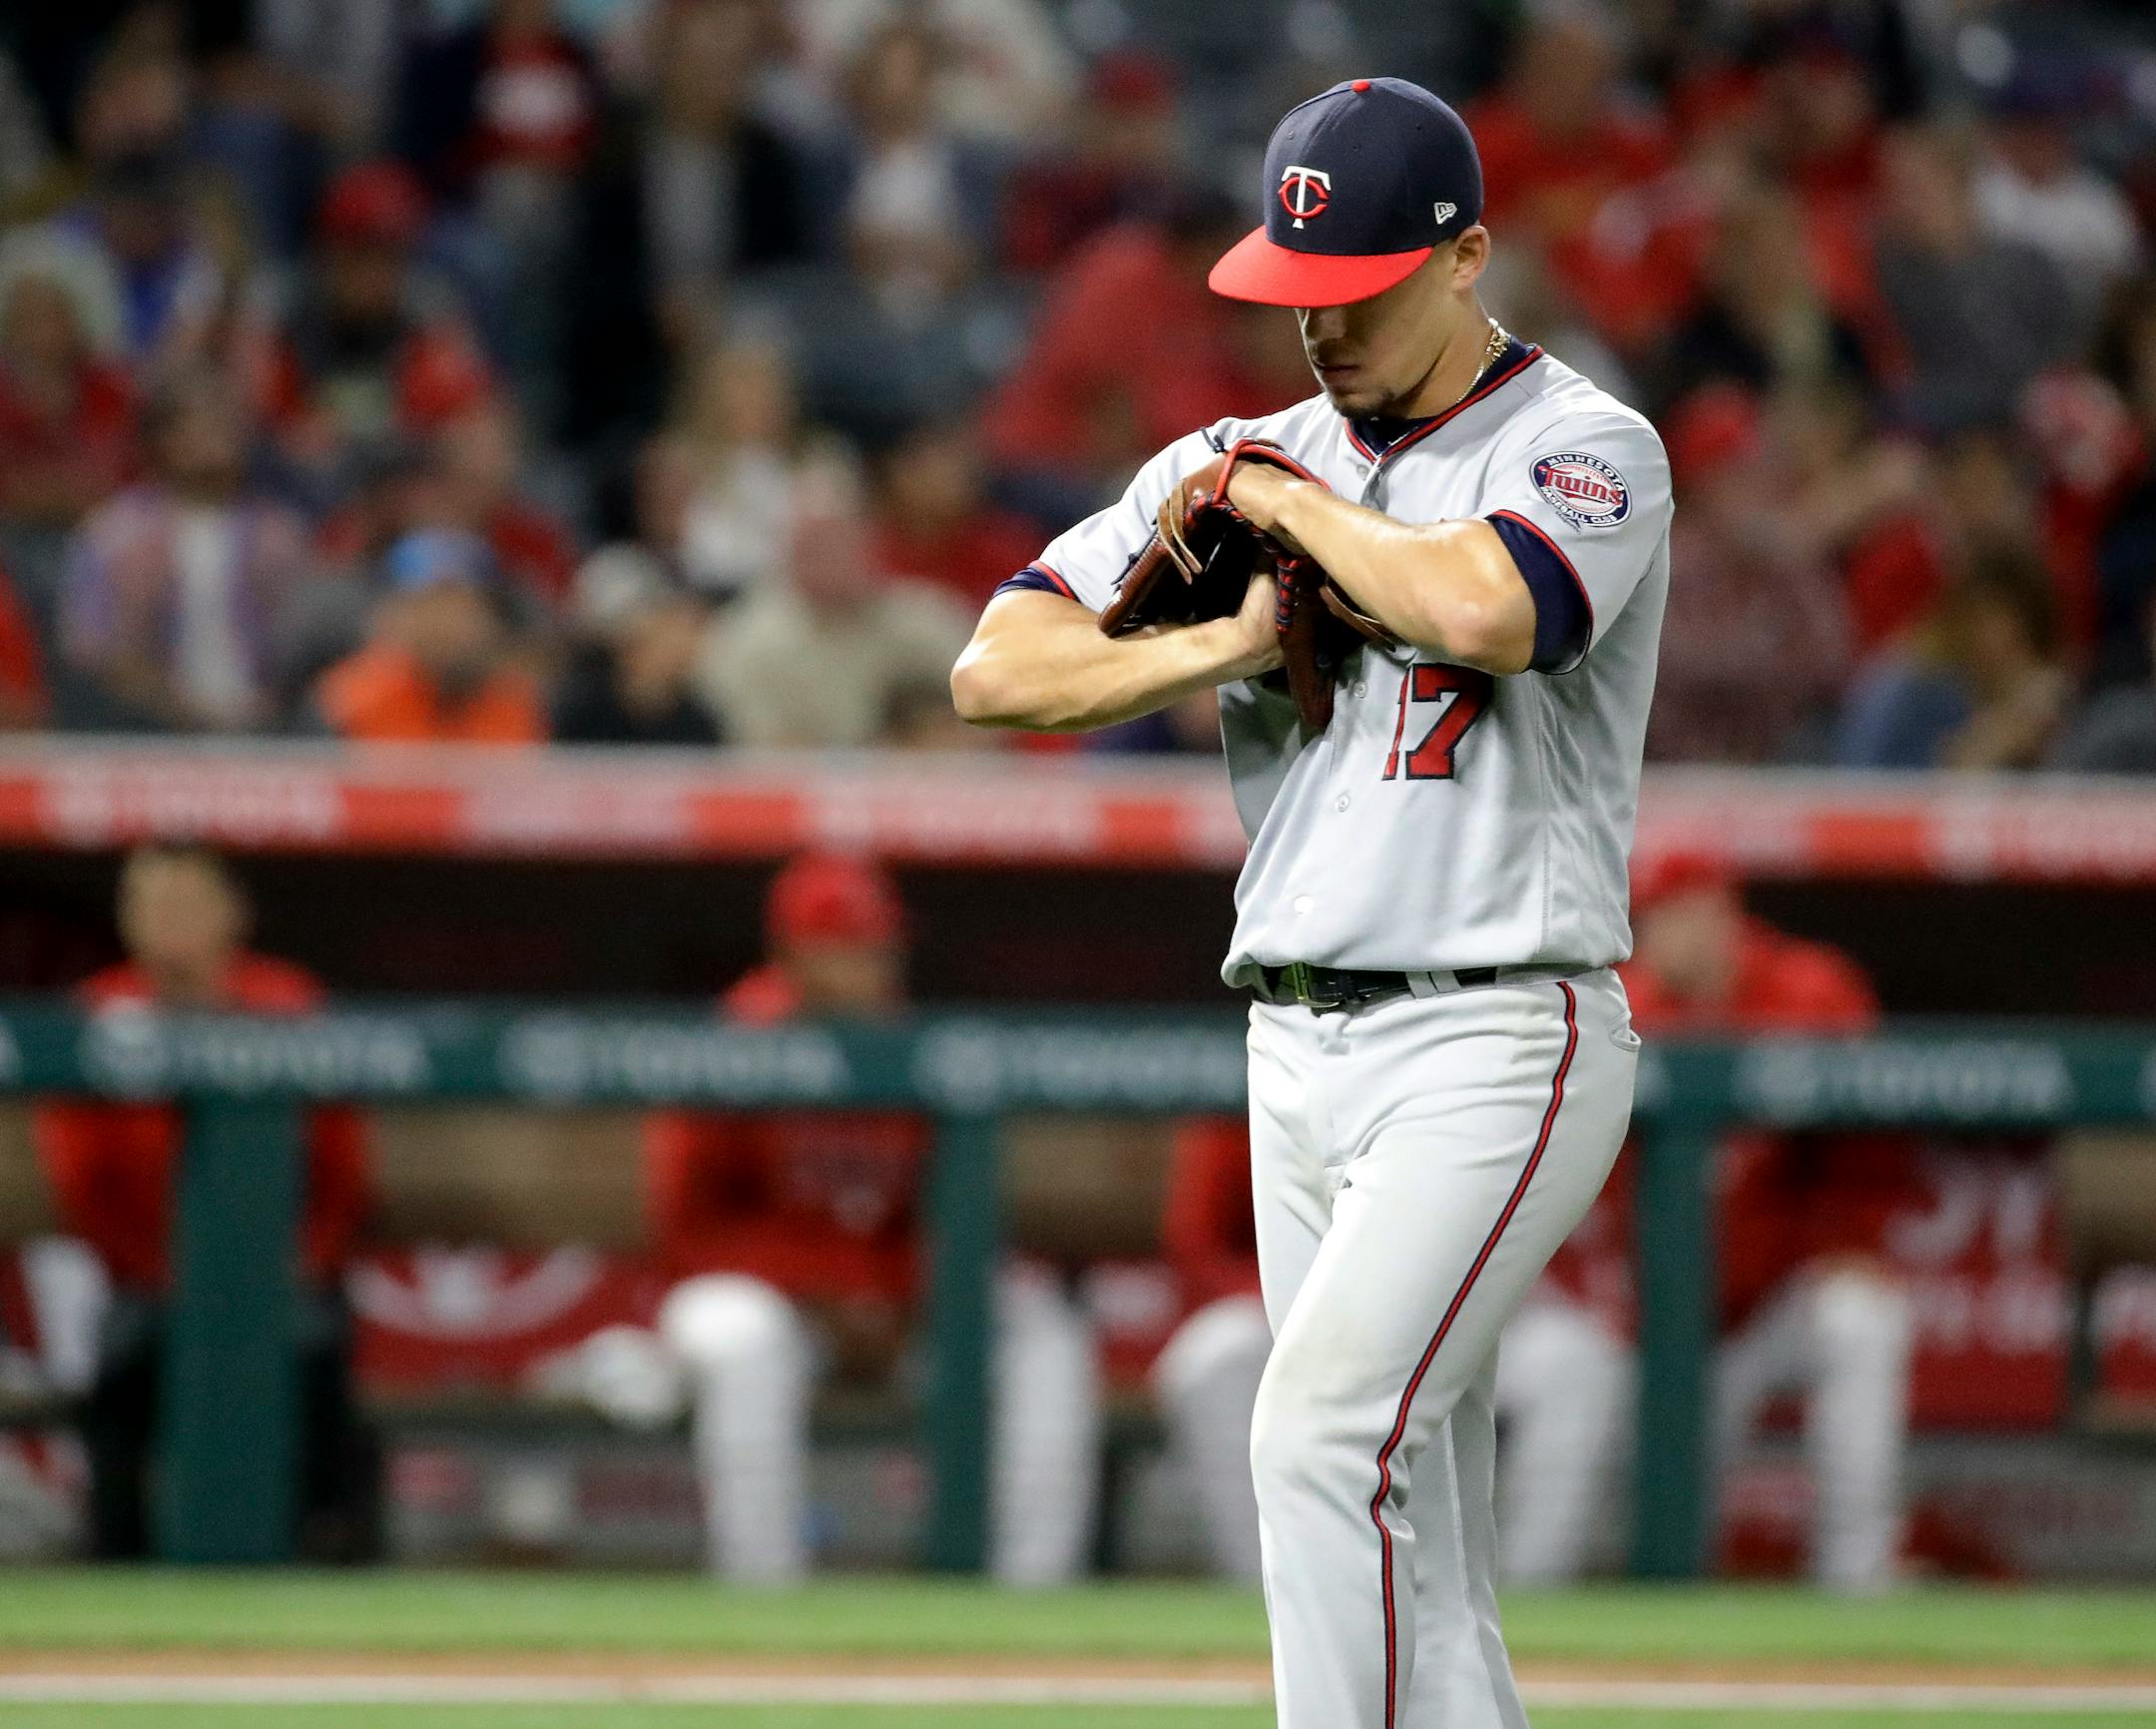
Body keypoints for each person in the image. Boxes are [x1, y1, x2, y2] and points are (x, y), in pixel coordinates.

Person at [953, 78, 1669, 1728]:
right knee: (1412, 1519)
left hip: (1501, 1020)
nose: (1322, 330)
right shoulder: (1235, 457)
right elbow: (996, 667)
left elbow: (1493, 607)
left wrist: (1288, 510)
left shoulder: (1583, 440)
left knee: (1323, 1433)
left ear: (1468, 254)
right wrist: (1210, 642)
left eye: (1356, 289)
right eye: (1300, 294)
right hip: (1296, 1034)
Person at [644, 852, 1101, 1583]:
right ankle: (761, 1591)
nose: (876, 959)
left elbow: (952, 1214)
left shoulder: (911, 1045)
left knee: (1041, 1331)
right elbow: (689, 1233)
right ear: (794, 950)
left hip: (891, 1310)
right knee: (745, 1339)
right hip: (771, 1306)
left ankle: (1033, 1593)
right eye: (850, 942)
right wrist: (831, 1292)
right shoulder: (736, 1045)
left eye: (881, 940)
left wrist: (892, 1295)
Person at [1494, 855, 1913, 1592]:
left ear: (1726, 910)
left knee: (1861, 1320)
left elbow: (1872, 1153)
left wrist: (1851, 1242)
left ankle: (1861, 1580)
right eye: (1658, 917)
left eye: (1693, 910)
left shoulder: (1810, 991)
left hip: (1765, 1310)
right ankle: (1529, 1600)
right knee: (1579, 1394)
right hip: (1639, 1327)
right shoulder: (1614, 1005)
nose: (1677, 933)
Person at [32, 844, 377, 1560]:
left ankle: (328, 1556)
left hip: (285, 1275)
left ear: (232, 914)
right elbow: (81, 1187)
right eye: (151, 907)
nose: (170, 925)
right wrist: (172, 1274)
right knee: (125, 1360)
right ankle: (118, 1558)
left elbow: (343, 1174)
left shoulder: (288, 1005)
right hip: (149, 1277)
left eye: (188, 904)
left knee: (316, 1349)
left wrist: (296, 1263)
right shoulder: (97, 1016)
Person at [57, 365, 309, 734]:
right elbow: (91, 647)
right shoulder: (114, 535)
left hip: (269, 729)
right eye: (201, 421)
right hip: (147, 729)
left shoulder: (280, 535)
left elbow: (305, 646)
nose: (219, 435)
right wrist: (174, 706)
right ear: (160, 439)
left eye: (229, 422)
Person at [312, 529, 545, 744]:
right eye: (429, 603)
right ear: (393, 612)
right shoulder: (349, 701)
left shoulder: (514, 702)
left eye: (460, 604)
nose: (445, 622)